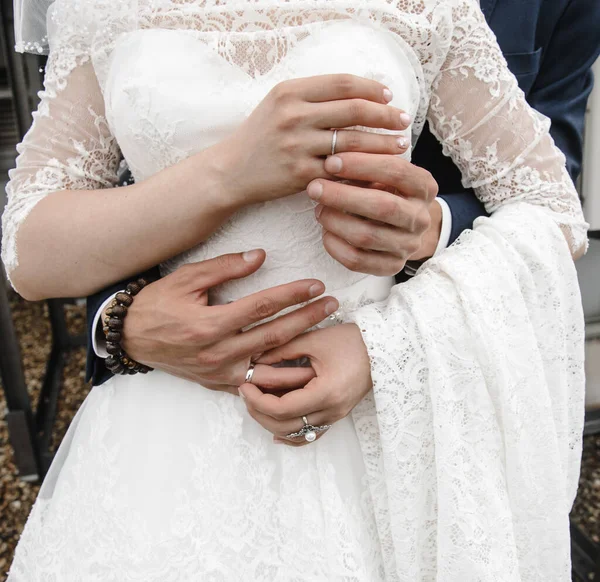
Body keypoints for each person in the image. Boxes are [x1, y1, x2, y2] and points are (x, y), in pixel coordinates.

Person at [0, 0, 594, 580]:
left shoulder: (427, 7)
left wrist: (389, 345)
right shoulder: (98, 10)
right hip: (167, 427)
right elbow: (28, 254)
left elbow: (552, 212)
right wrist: (230, 173)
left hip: (373, 411)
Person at [84, 0, 600, 391]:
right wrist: (119, 320)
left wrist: (424, 238)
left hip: (420, 364)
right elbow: (98, 175)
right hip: (170, 383)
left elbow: (550, 195)